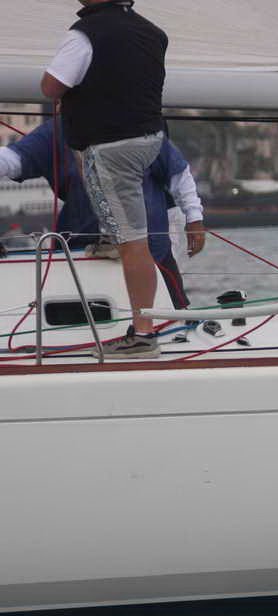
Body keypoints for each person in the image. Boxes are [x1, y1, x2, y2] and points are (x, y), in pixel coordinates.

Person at [41, 0, 168, 358]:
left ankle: (143, 336)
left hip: (112, 146)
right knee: (126, 232)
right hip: (147, 138)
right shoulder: (152, 32)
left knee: (134, 241)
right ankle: (113, 237)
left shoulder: (85, 34)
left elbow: (51, 86)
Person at [0, 121, 205, 310]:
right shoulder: (55, 132)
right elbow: (12, 159)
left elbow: (178, 172)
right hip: (80, 255)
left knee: (171, 317)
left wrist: (194, 217)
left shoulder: (138, 123)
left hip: (150, 249)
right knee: (77, 320)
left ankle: (145, 331)